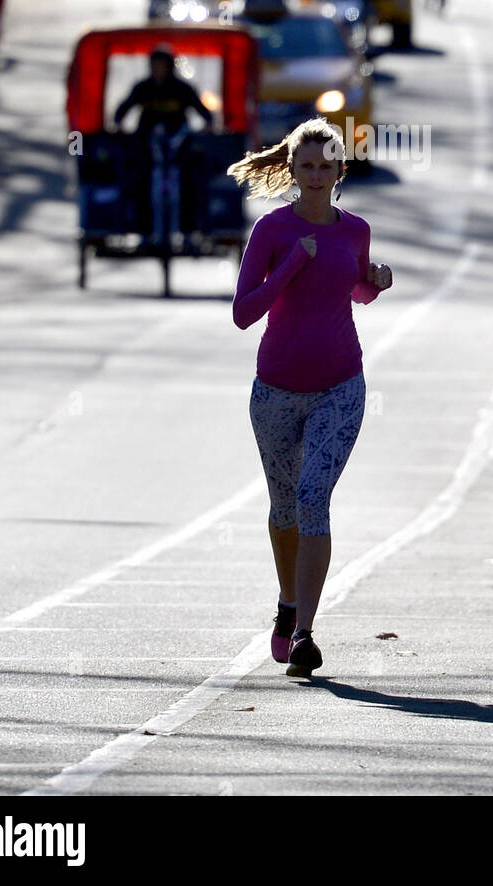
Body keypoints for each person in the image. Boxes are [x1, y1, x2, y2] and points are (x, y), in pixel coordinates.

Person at [228, 118, 392, 677]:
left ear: (340, 171)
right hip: (275, 388)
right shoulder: (273, 231)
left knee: (313, 498)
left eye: (327, 166)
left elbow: (356, 292)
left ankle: (304, 634)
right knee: (284, 506)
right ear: (293, 171)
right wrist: (294, 262)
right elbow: (244, 313)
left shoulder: (355, 229)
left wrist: (376, 279)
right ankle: (287, 600)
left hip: (341, 385)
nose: (317, 175)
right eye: (307, 166)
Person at [114, 47, 213, 240]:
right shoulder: (142, 88)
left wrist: (206, 128)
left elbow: (205, 114)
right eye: (155, 65)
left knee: (189, 179)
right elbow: (122, 111)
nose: (159, 69)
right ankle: (143, 230)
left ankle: (188, 230)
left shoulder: (183, 89)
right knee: (139, 178)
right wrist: (119, 126)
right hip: (148, 145)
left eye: (163, 66)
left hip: (178, 145)